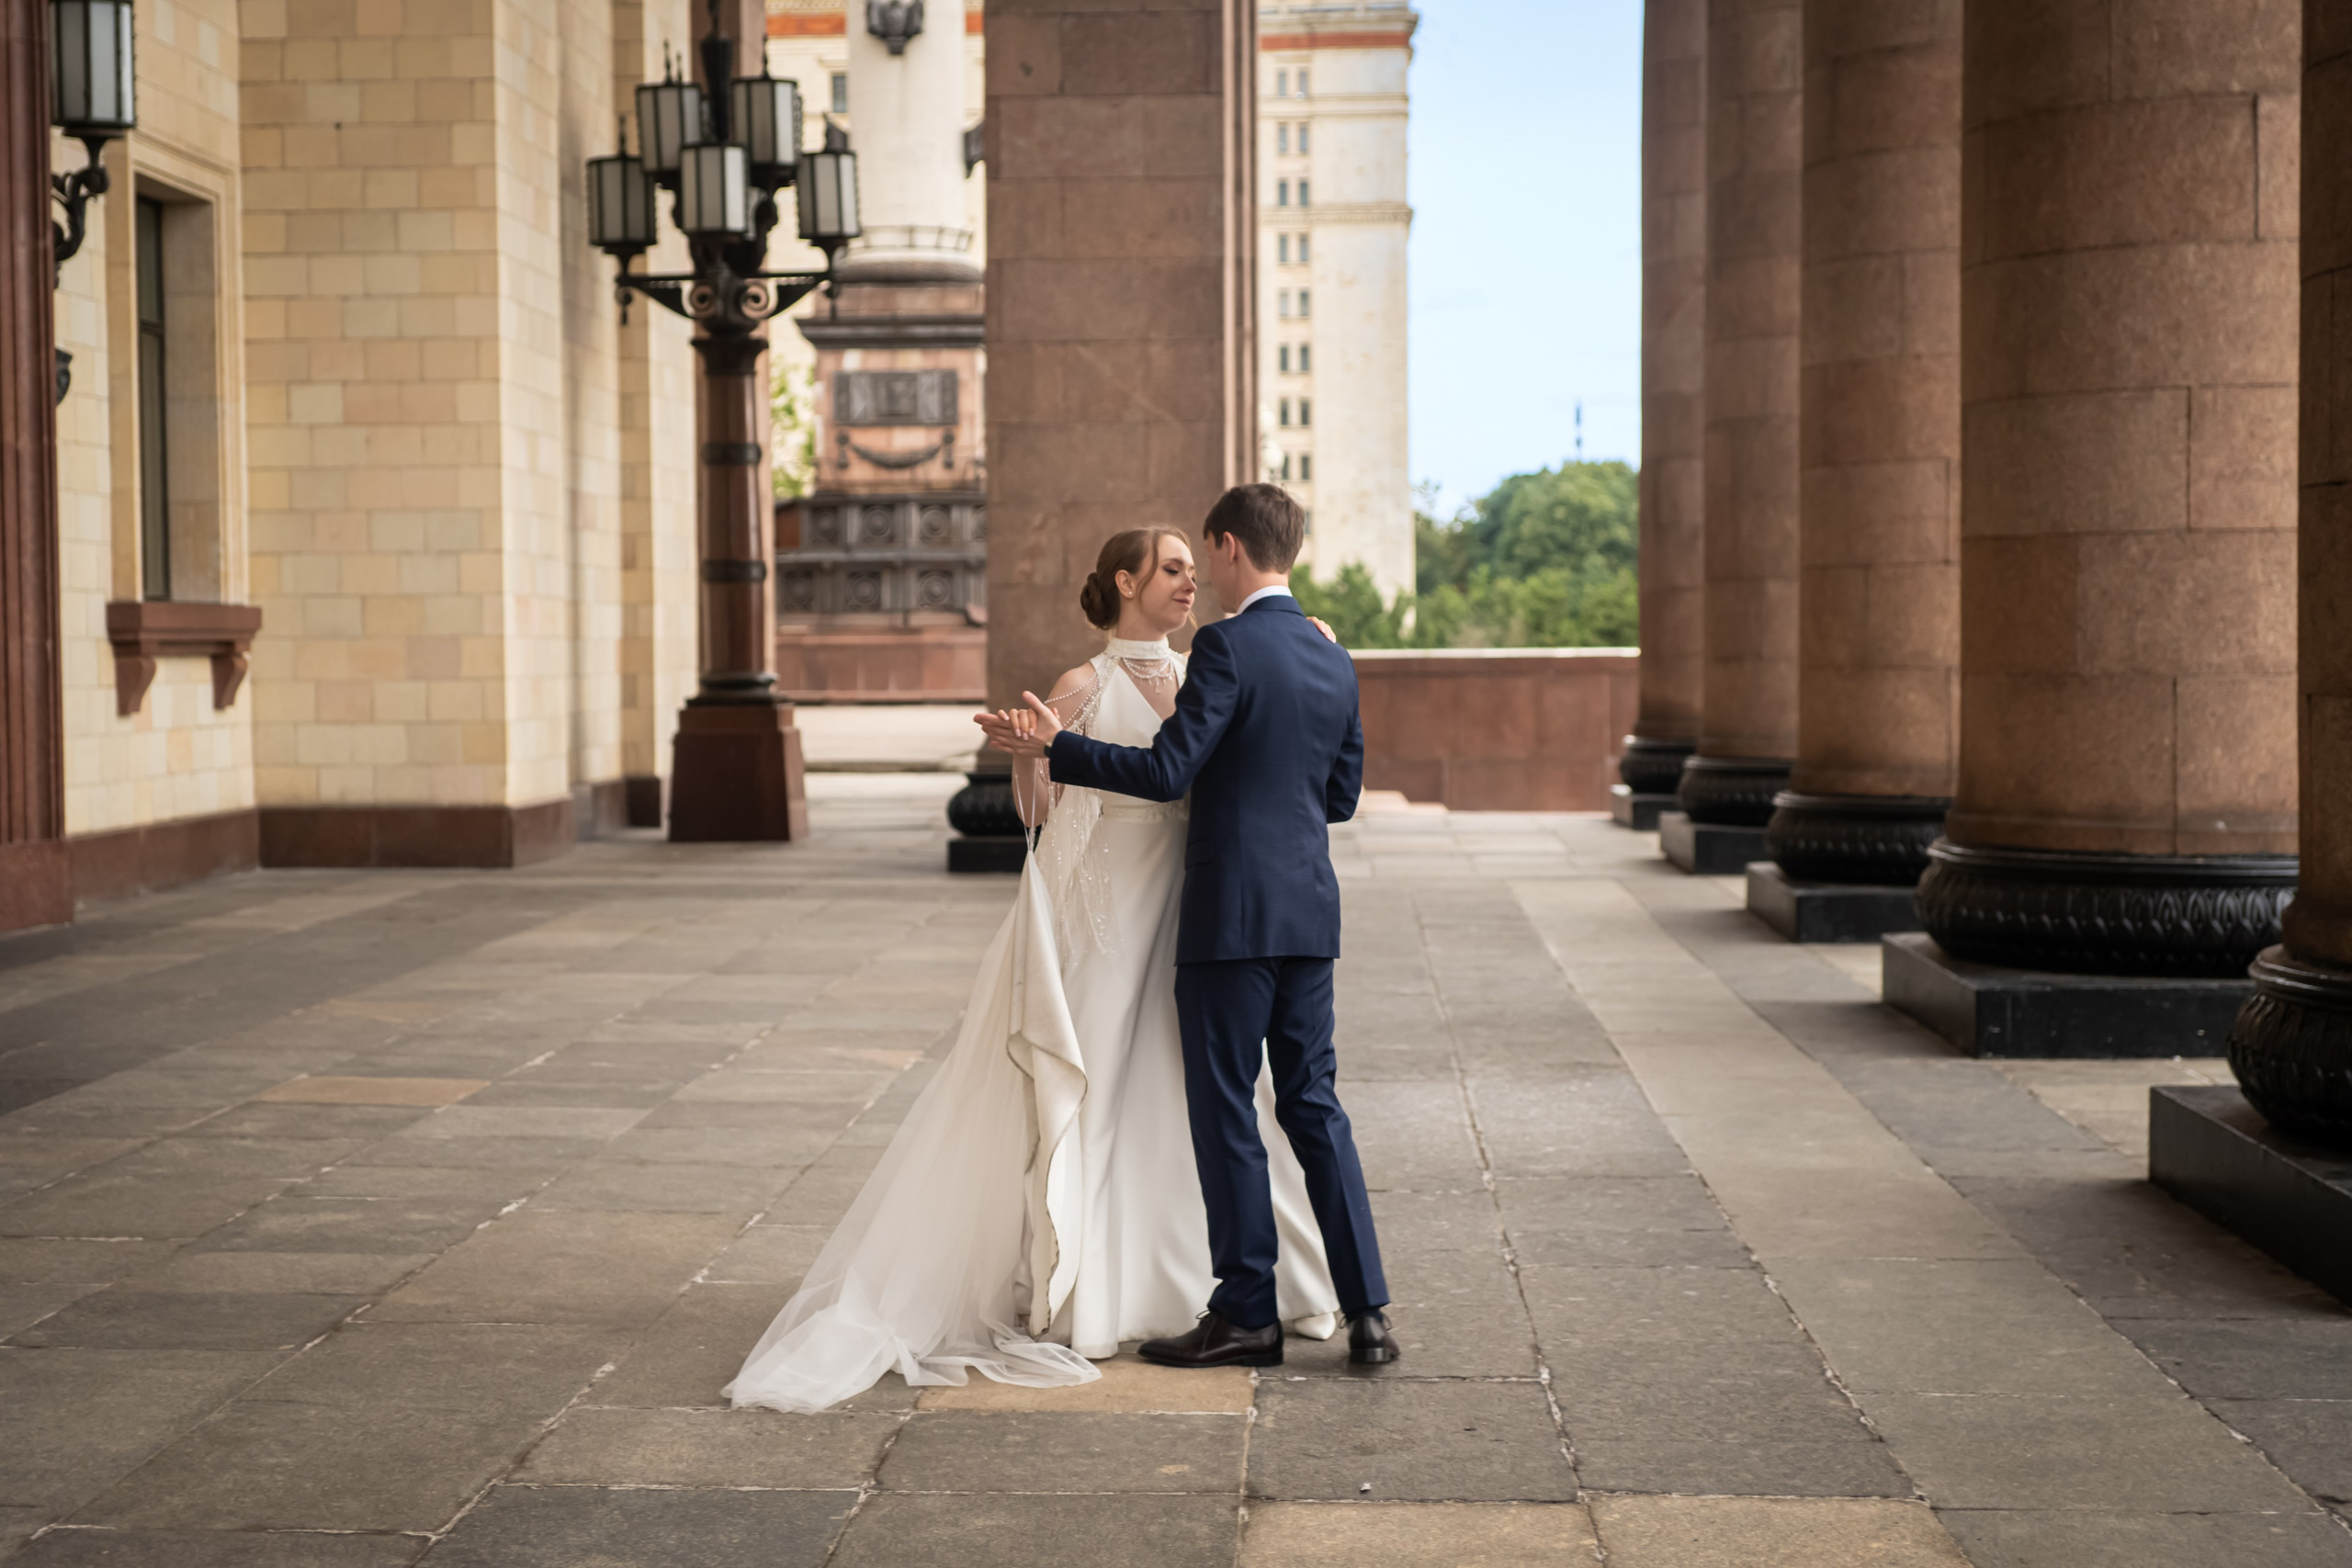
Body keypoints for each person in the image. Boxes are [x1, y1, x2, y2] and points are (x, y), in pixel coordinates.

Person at [725, 525, 1341, 1414]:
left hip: (1199, 904)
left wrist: (1313, 643)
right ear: (1126, 581)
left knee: (1200, 1091)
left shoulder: (1215, 664)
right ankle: (1092, 1288)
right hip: (1112, 910)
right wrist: (1028, 754)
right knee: (1098, 1084)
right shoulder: (1081, 685)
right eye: (1171, 570)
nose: (1189, 584)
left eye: (1193, 570)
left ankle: (1224, 1284)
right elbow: (1043, 810)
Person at [978, 484, 1396, 1371]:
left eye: (1202, 556)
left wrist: (1058, 744)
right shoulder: (1334, 655)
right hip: (1308, 912)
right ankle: (1368, 1311)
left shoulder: (1225, 646)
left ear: (1230, 545)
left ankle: (1247, 1310)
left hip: (1230, 917)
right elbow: (1340, 797)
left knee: (1226, 1110)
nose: (1200, 574)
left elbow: (1172, 770)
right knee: (1315, 1105)